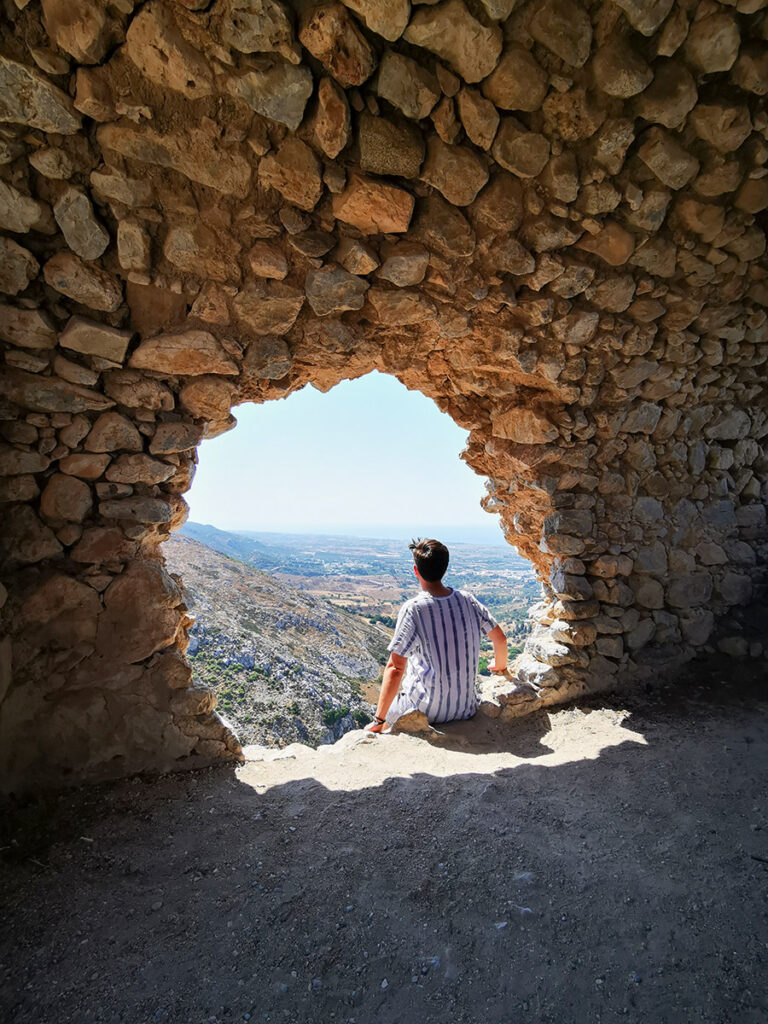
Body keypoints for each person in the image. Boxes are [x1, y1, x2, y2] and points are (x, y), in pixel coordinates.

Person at [365, 538, 508, 734]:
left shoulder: (414, 609)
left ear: (416, 571)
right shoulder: (468, 600)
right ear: (444, 568)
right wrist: (500, 666)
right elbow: (500, 639)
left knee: (389, 716)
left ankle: (380, 726)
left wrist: (379, 719)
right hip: (466, 709)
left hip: (425, 711)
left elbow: (396, 667)